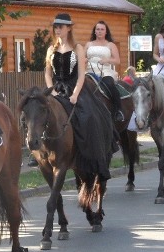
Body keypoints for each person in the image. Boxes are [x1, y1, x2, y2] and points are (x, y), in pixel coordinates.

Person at [44, 13, 114, 181]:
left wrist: (75, 94)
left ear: (69, 28)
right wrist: (51, 90)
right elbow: (47, 74)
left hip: (75, 88)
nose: (58, 29)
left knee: (88, 116)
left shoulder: (78, 48)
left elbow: (82, 75)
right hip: (56, 88)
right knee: (39, 112)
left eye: (61, 26)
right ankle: (39, 152)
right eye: (56, 26)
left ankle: (88, 154)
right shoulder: (51, 49)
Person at [85, 20, 125, 122]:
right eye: (97, 29)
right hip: (89, 71)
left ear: (106, 32)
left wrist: (107, 60)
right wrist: (84, 60)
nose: (99, 31)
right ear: (95, 31)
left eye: (102, 29)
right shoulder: (88, 44)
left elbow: (117, 61)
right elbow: (83, 57)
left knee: (110, 85)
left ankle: (118, 110)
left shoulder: (110, 45)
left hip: (105, 71)